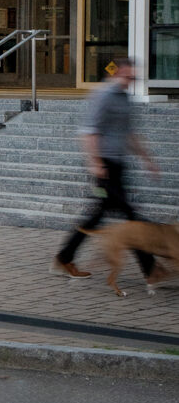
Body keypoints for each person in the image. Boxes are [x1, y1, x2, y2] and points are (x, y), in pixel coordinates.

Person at [53, 56, 159, 281]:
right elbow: (89, 131)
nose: (131, 80)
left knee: (96, 217)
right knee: (131, 215)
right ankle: (151, 269)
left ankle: (64, 257)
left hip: (118, 165)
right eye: (127, 76)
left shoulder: (125, 98)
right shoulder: (103, 95)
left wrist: (147, 159)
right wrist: (95, 163)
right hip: (105, 166)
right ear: (116, 73)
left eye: (134, 77)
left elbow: (129, 133)